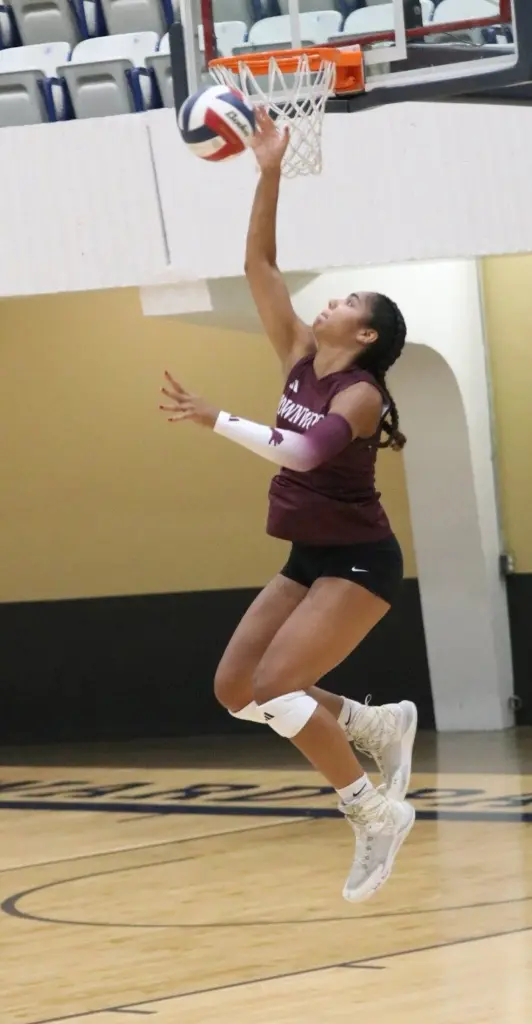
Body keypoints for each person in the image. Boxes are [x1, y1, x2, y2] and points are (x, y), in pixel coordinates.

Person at [159, 109, 417, 904]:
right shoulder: (302, 355)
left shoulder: (362, 395)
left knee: (277, 687)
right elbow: (259, 262)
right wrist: (268, 167)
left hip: (360, 563)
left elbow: (303, 453)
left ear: (365, 334)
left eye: (348, 300)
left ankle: (372, 812)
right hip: (309, 555)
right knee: (237, 689)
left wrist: (218, 419)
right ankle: (373, 725)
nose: (331, 301)